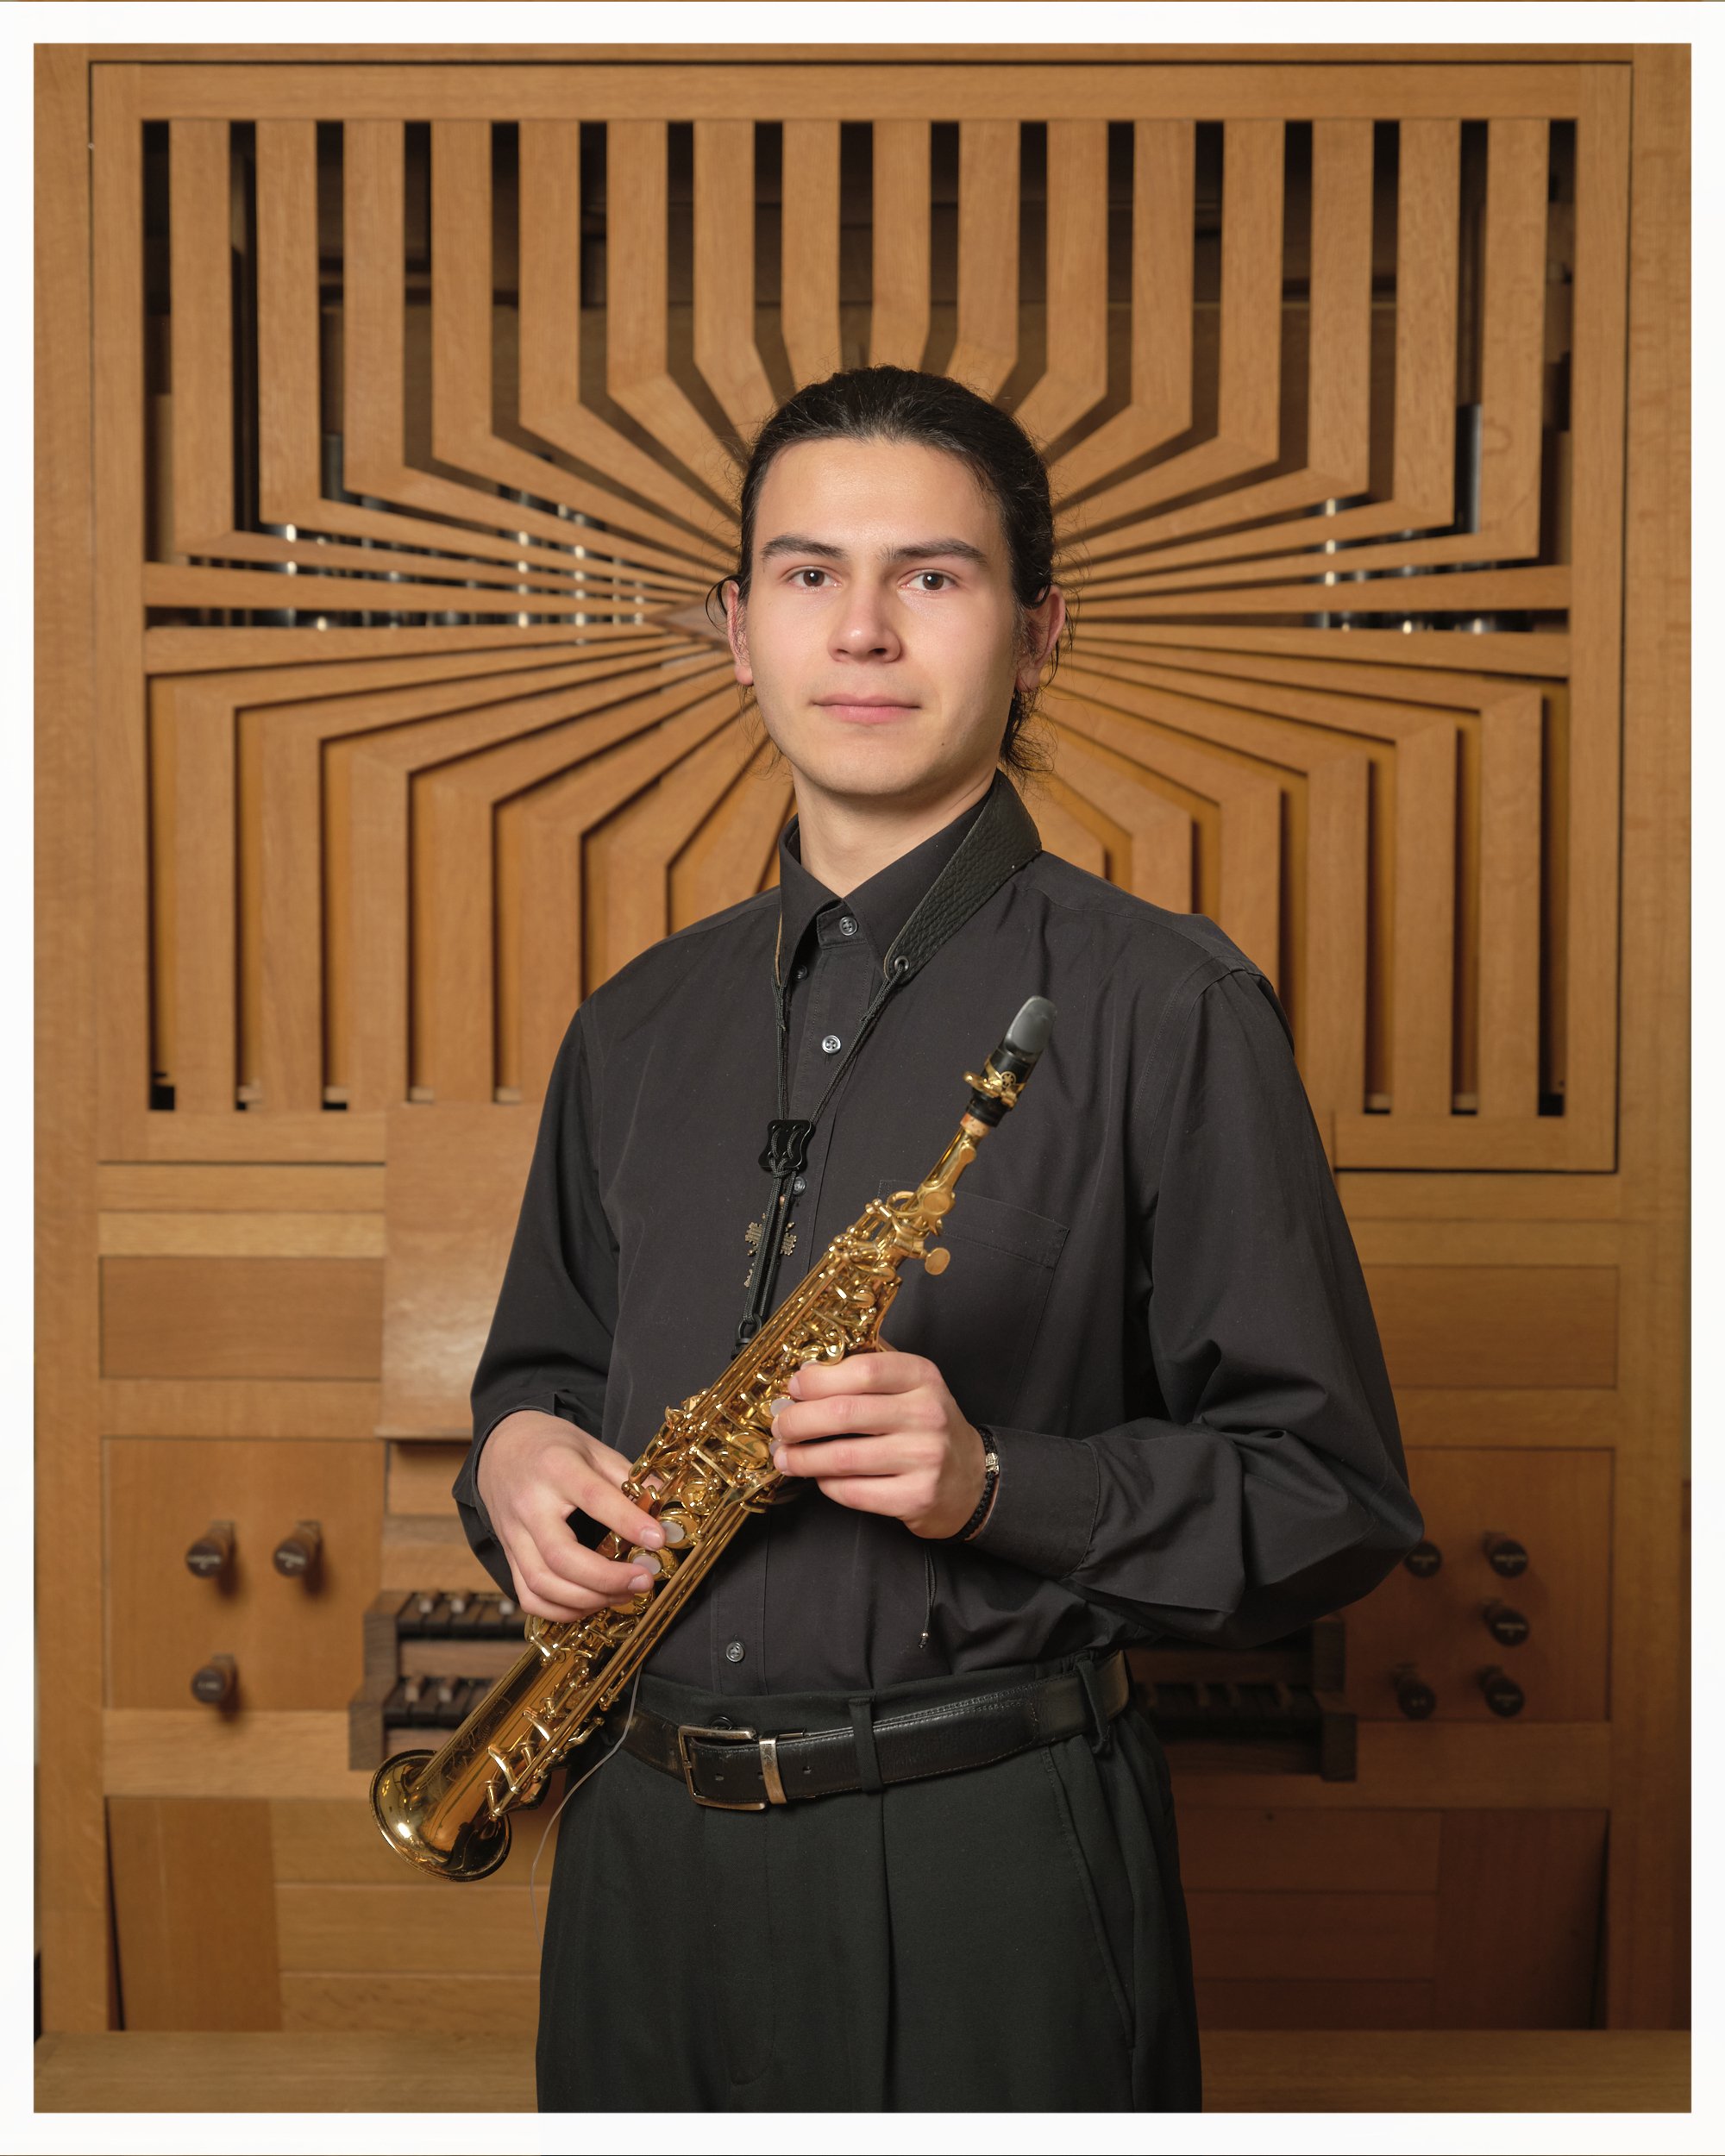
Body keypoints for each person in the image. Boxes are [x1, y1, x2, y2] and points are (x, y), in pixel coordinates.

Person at [454, 365, 1423, 2113]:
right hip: (638, 1864)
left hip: (994, 1867)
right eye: (808, 573)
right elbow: (544, 1372)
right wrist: (514, 1457)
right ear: (738, 628)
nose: (864, 629)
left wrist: (998, 1484)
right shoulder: (634, 1023)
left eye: (933, 574)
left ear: (1036, 633)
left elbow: (1329, 1498)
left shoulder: (1169, 1006)